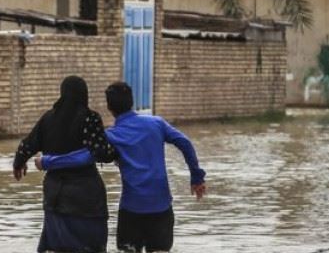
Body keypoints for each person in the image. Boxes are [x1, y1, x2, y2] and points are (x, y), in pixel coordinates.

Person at [39, 82, 207, 253]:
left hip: (132, 210)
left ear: (109, 107)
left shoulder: (112, 135)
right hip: (161, 208)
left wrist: (47, 161)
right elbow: (185, 143)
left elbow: (84, 157)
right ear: (131, 102)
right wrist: (197, 177)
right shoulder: (156, 124)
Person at [12, 76, 117, 253]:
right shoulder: (90, 118)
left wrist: (18, 163)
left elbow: (27, 145)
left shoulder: (48, 119)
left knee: (57, 247)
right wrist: (115, 151)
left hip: (55, 196)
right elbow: (101, 153)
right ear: (84, 94)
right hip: (86, 196)